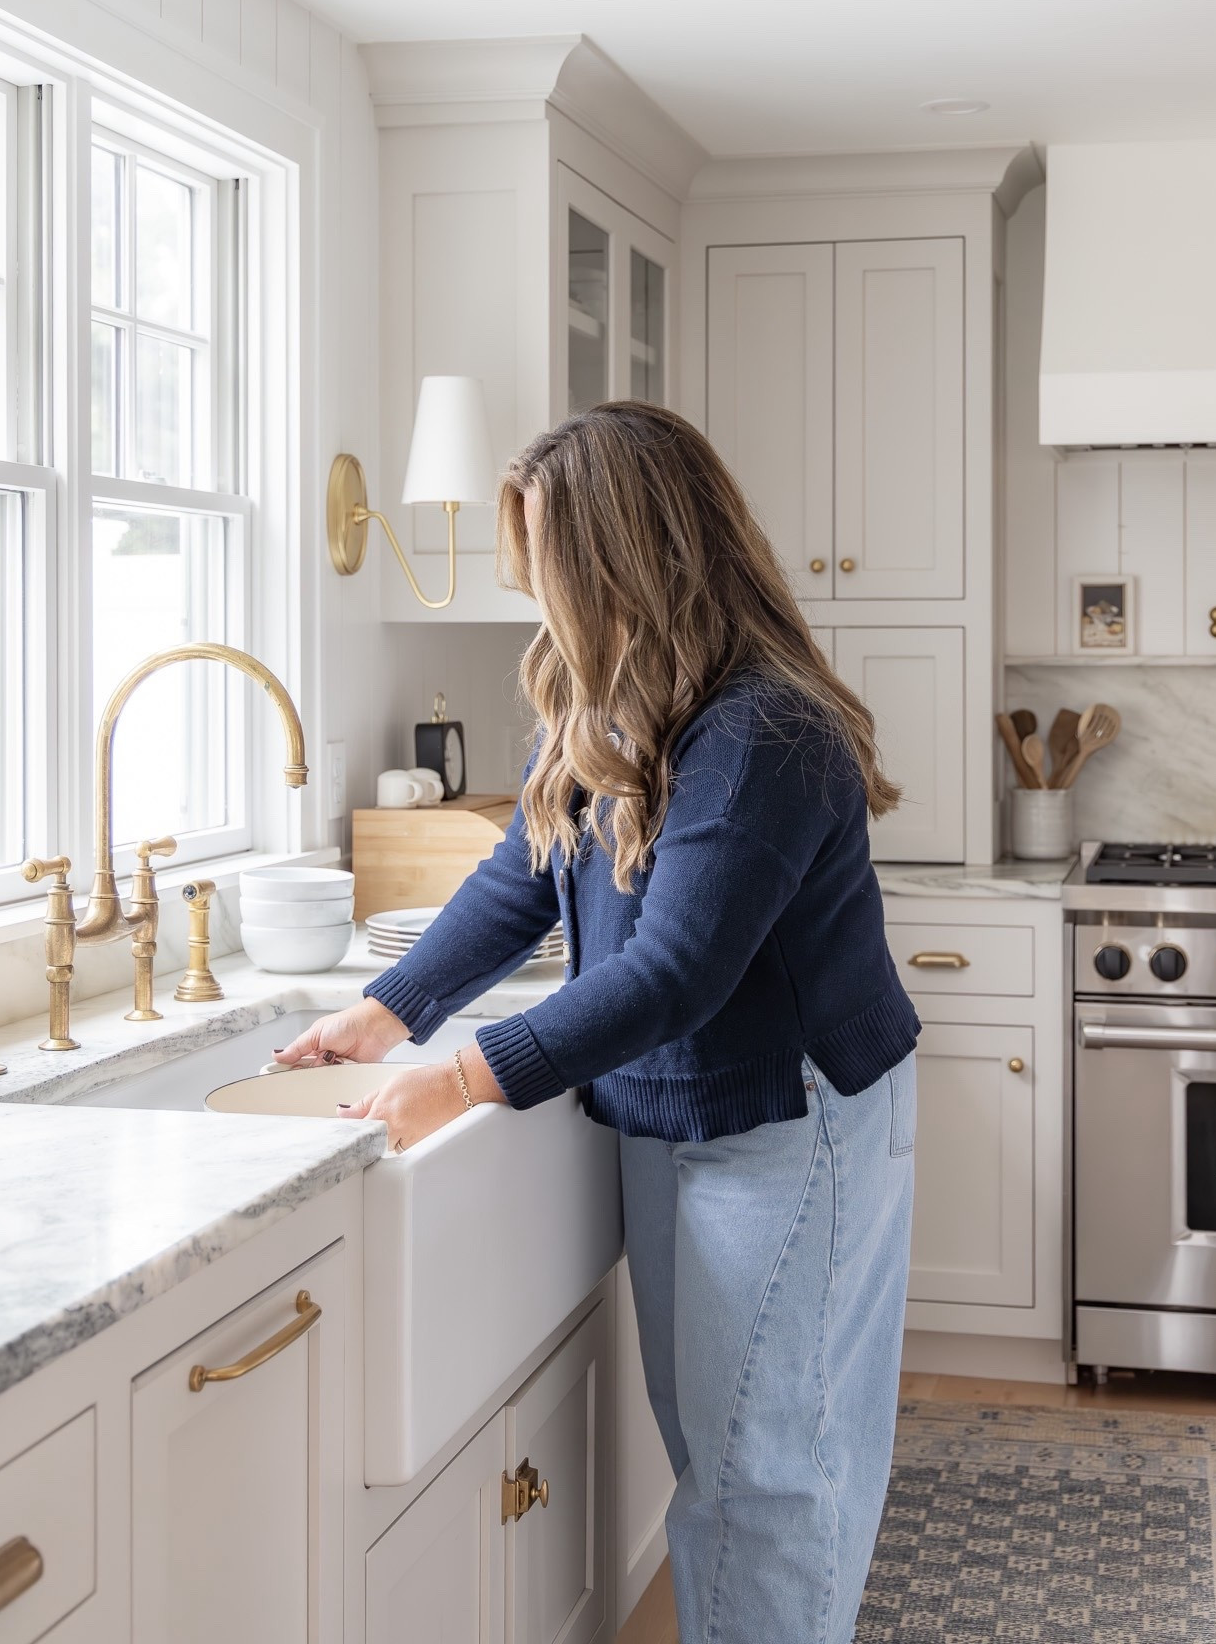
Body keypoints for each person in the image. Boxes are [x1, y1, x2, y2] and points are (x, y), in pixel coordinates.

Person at [277, 401, 920, 1644]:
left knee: (768, 1479)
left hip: (790, 1120)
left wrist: (462, 1075)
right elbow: (527, 868)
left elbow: (673, 969)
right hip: (674, 1105)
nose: (538, 594)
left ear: (633, 556)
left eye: (550, 564)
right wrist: (386, 1007)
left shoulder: (762, 727)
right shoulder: (614, 697)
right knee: (717, 1456)